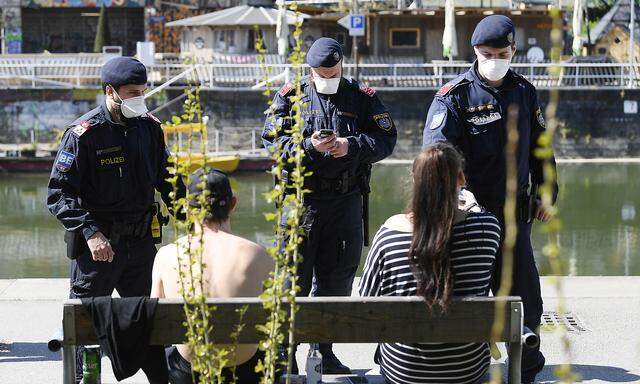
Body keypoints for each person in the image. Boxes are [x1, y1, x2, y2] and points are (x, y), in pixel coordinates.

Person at [422, 15, 559, 383]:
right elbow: (435, 153)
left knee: (524, 293)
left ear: (514, 51)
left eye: (502, 52)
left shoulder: (524, 91)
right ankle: (464, 364)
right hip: (468, 214)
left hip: (515, 213)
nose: (495, 58)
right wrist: (452, 199)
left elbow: (541, 149)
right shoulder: (455, 96)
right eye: (487, 53)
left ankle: (526, 367)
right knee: (466, 291)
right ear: (475, 52)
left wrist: (547, 192)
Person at [262, 37, 397, 373]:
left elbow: (386, 140)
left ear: (342, 66)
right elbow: (273, 145)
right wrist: (309, 146)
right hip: (300, 203)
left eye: (332, 72)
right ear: (310, 70)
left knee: (336, 281)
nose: (327, 77)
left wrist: (350, 145)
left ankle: (324, 351)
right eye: (321, 73)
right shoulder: (289, 97)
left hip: (345, 201)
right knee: (291, 283)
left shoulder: (361, 97)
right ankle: (284, 357)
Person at [47, 56, 186, 383]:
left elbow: (167, 179)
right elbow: (58, 194)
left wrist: (191, 218)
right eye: (132, 92)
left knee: (150, 321)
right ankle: (83, 378)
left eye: (143, 91)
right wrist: (91, 233)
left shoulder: (149, 128)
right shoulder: (84, 134)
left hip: (140, 246)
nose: (140, 98)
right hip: (98, 248)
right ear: (111, 91)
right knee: (87, 324)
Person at [359, 143, 501, 384]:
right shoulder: (488, 228)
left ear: (415, 181)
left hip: (402, 371)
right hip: (467, 369)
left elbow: (366, 298)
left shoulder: (390, 232)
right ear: (462, 179)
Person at [151, 169, 274, 384]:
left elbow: (155, 324)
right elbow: (274, 319)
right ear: (233, 204)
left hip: (189, 373)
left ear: (188, 209)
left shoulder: (167, 255)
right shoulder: (258, 255)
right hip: (245, 372)